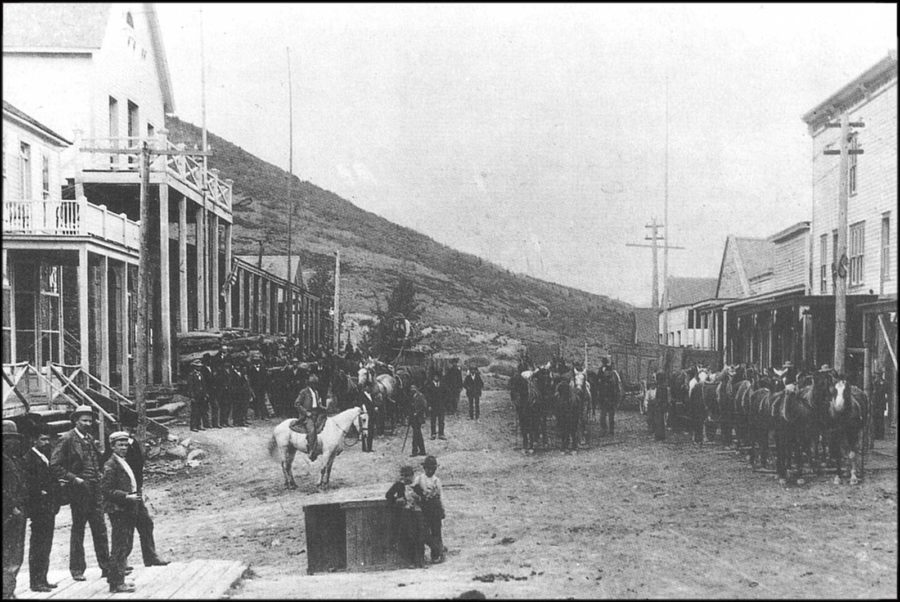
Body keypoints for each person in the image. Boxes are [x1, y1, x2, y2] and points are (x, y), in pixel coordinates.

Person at [51, 405, 110, 582]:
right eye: (84, 420)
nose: (87, 423)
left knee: (100, 529)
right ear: (75, 421)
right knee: (78, 530)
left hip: (95, 490)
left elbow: (97, 461)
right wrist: (74, 479)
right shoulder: (67, 439)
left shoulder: (90, 439)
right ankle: (77, 569)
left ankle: (107, 567)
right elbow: (55, 465)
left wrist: (99, 473)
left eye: (90, 420)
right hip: (79, 491)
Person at [113, 419, 170, 569]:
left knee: (146, 523)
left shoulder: (134, 444)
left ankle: (150, 556)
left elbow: (138, 469)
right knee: (126, 529)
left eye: (131, 428)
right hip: (124, 495)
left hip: (136, 491)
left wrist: (139, 490)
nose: (129, 430)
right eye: (126, 427)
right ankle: (121, 562)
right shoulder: (114, 449)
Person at [101, 431, 140, 594]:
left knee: (125, 544)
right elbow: (106, 490)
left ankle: (117, 579)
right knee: (120, 546)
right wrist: (126, 496)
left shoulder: (123, 461)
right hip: (118, 509)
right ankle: (116, 583)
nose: (124, 448)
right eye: (120, 445)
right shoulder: (111, 465)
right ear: (112, 446)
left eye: (126, 445)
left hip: (127, 508)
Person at [24, 424, 60, 592]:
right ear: (34, 440)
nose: (46, 442)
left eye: (48, 439)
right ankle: (36, 581)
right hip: (39, 509)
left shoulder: (45, 457)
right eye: (43, 439)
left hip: (49, 508)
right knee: (38, 544)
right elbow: (30, 484)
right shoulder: (29, 459)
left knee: (46, 544)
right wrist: (41, 492)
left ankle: (43, 578)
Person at [2, 420, 27, 599]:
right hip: (8, 513)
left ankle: (9, 590)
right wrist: (12, 506)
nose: (15, 442)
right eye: (10, 439)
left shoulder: (14, 459)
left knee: (16, 554)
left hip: (17, 512)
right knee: (8, 554)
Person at [385, 465, 425, 568]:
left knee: (420, 536)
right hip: (406, 512)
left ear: (412, 476)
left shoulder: (416, 485)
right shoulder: (399, 485)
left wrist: (418, 497)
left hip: (417, 512)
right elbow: (388, 495)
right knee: (409, 535)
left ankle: (420, 560)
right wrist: (396, 500)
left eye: (408, 476)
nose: (406, 478)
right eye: (404, 476)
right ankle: (410, 561)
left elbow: (423, 498)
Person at [413, 455, 446, 564]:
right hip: (424, 508)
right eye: (428, 468)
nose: (430, 471)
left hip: (435, 508)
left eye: (432, 468)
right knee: (425, 532)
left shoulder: (437, 480)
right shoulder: (419, 478)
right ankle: (424, 554)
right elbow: (413, 489)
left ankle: (436, 555)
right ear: (424, 468)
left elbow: (441, 496)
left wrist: (442, 509)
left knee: (436, 531)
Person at [295, 374, 327, 461]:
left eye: (316, 384)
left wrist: (324, 408)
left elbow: (318, 404)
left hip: (317, 413)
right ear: (310, 384)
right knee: (312, 430)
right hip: (308, 415)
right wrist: (306, 413)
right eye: (313, 384)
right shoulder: (303, 392)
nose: (315, 386)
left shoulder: (316, 392)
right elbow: (297, 404)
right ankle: (312, 451)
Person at [188, 359, 209, 433]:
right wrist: (192, 397)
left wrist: (205, 394)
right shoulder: (191, 375)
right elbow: (190, 387)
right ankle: (193, 426)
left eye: (200, 366)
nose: (199, 367)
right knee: (194, 411)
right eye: (197, 366)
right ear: (194, 367)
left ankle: (199, 425)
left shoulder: (201, 374)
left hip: (201, 396)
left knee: (200, 411)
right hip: (195, 396)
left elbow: (204, 385)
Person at [247, 355, 271, 420]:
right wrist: (251, 388)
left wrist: (266, 387)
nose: (257, 362)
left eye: (258, 361)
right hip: (255, 387)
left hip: (262, 387)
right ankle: (257, 415)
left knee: (262, 401)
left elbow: (266, 378)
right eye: (255, 361)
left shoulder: (263, 368)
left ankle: (264, 415)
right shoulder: (251, 369)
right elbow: (250, 379)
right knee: (255, 401)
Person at [357, 381, 377, 453]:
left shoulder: (371, 395)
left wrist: (375, 407)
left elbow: (372, 403)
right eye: (368, 387)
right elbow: (360, 405)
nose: (370, 388)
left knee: (370, 431)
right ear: (365, 388)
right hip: (365, 415)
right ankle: (365, 447)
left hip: (371, 415)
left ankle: (369, 447)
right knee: (365, 431)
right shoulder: (362, 395)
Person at [408, 385, 428, 457]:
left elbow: (424, 406)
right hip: (414, 419)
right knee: (418, 435)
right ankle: (422, 450)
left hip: (418, 418)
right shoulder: (412, 396)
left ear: (416, 390)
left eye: (413, 390)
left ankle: (414, 451)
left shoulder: (420, 396)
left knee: (415, 435)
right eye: (411, 390)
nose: (412, 391)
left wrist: (417, 412)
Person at [871, 367, 887, 441]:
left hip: (880, 403)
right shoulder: (874, 382)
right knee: (875, 419)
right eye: (877, 374)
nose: (878, 376)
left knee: (880, 419)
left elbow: (883, 391)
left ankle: (880, 435)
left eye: (879, 374)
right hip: (876, 403)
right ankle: (876, 435)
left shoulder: (883, 382)